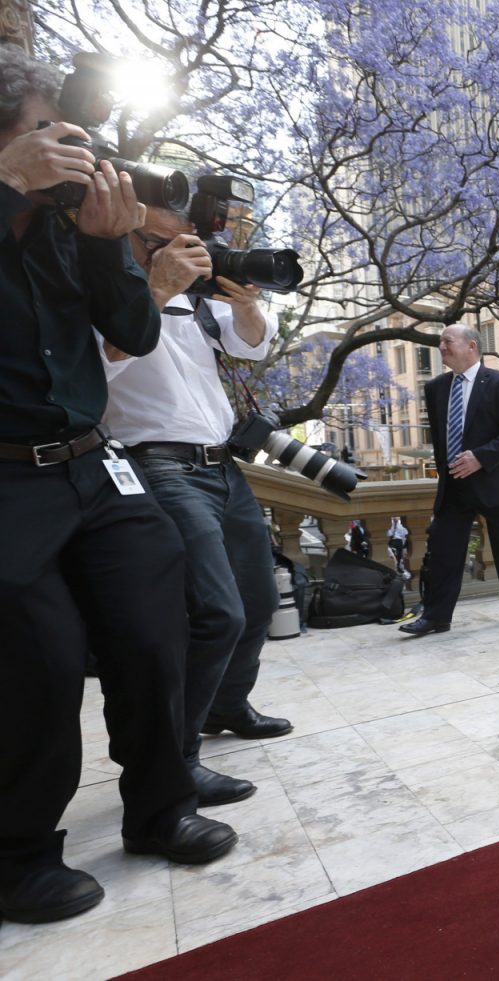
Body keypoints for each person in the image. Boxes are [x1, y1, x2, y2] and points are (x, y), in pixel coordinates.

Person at [0, 48, 235, 925]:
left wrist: (108, 247)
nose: (72, 147)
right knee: (43, 664)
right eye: (45, 131)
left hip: (95, 461)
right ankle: (19, 852)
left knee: (153, 623)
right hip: (7, 480)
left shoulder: (72, 225)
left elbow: (133, 329)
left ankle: (161, 806)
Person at [100, 204, 294, 808]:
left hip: (221, 463)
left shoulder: (196, 297)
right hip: (154, 462)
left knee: (259, 600)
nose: (173, 250)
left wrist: (244, 303)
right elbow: (96, 366)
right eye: (157, 240)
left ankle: (227, 705)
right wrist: (155, 291)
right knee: (215, 613)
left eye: (180, 240)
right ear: (127, 237)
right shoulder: (102, 289)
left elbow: (253, 348)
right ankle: (178, 759)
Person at [400, 325, 499, 636]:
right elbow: (441, 441)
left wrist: (479, 457)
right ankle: (435, 617)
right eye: (440, 343)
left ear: (471, 346)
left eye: (447, 341)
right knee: (443, 551)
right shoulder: (435, 388)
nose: (441, 347)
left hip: (497, 482)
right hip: (455, 487)